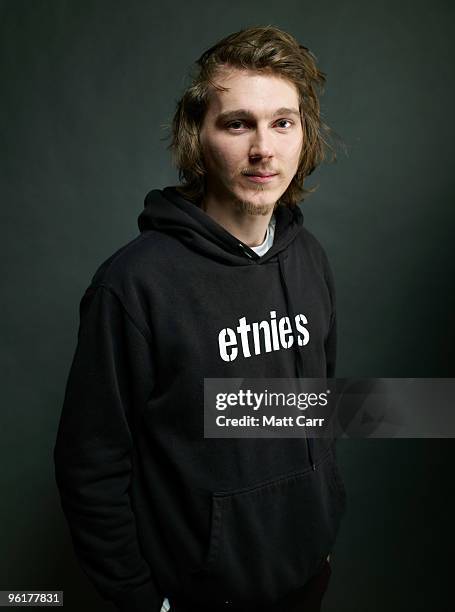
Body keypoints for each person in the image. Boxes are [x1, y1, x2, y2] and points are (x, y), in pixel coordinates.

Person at [54, 25, 347, 612]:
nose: (263, 148)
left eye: (282, 122)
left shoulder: (308, 256)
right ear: (198, 137)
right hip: (201, 595)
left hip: (306, 576)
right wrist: (144, 602)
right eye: (238, 123)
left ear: (303, 135)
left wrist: (316, 526)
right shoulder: (133, 285)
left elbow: (316, 406)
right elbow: (91, 466)